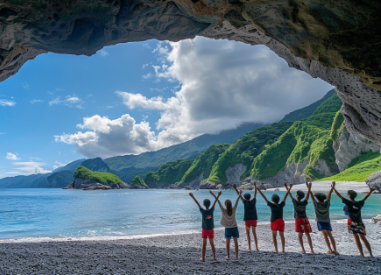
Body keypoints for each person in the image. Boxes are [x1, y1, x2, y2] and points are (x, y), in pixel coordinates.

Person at [333, 183, 376, 257]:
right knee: (363, 238)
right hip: (360, 222)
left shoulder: (348, 202)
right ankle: (370, 254)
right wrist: (370, 191)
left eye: (347, 193)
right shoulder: (359, 203)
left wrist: (333, 188)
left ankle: (361, 254)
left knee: (356, 237)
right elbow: (365, 197)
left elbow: (339, 195)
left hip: (352, 222)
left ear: (349, 195)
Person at [256, 182, 292, 253]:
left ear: (272, 200)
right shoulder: (281, 205)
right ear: (278, 200)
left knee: (274, 236)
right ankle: (283, 249)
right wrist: (289, 188)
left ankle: (276, 249)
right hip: (281, 221)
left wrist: (259, 190)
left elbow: (264, 197)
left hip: (274, 221)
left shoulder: (271, 205)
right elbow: (285, 196)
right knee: (282, 236)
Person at [307, 181, 338, 255]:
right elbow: (329, 195)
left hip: (320, 221)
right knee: (330, 235)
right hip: (327, 221)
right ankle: (335, 250)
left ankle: (330, 250)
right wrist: (333, 187)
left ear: (317, 199)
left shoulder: (316, 204)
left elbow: (311, 196)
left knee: (325, 235)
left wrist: (309, 188)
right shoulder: (327, 204)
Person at [189, 191, 221, 262]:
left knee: (204, 244)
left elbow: (197, 203)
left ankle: (203, 258)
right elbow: (215, 202)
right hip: (211, 230)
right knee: (212, 244)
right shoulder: (211, 210)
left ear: (203, 204)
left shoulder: (203, 211)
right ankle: (214, 257)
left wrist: (192, 196)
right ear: (209, 205)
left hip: (204, 230)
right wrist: (218, 195)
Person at [210, 190, 241, 260]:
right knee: (236, 242)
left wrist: (216, 195)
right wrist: (239, 194)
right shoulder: (234, 209)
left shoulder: (224, 210)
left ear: (225, 205)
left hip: (228, 228)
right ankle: (236, 256)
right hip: (235, 227)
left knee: (228, 242)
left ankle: (228, 256)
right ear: (231, 204)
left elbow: (218, 202)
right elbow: (237, 201)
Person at [284, 182, 314, 254]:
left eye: (296, 194)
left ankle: (303, 250)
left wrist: (288, 188)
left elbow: (289, 194)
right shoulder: (304, 203)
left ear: (297, 196)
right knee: (307, 234)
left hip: (299, 219)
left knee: (300, 235)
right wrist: (309, 188)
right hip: (305, 219)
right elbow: (308, 196)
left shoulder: (295, 202)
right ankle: (312, 250)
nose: (295, 195)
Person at [233, 183, 259, 251]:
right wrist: (255, 186)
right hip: (254, 219)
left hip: (247, 219)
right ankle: (257, 247)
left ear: (245, 198)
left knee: (248, 234)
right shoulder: (253, 201)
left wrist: (236, 188)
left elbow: (239, 195)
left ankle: (249, 247)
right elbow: (255, 193)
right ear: (250, 197)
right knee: (254, 233)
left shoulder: (245, 202)